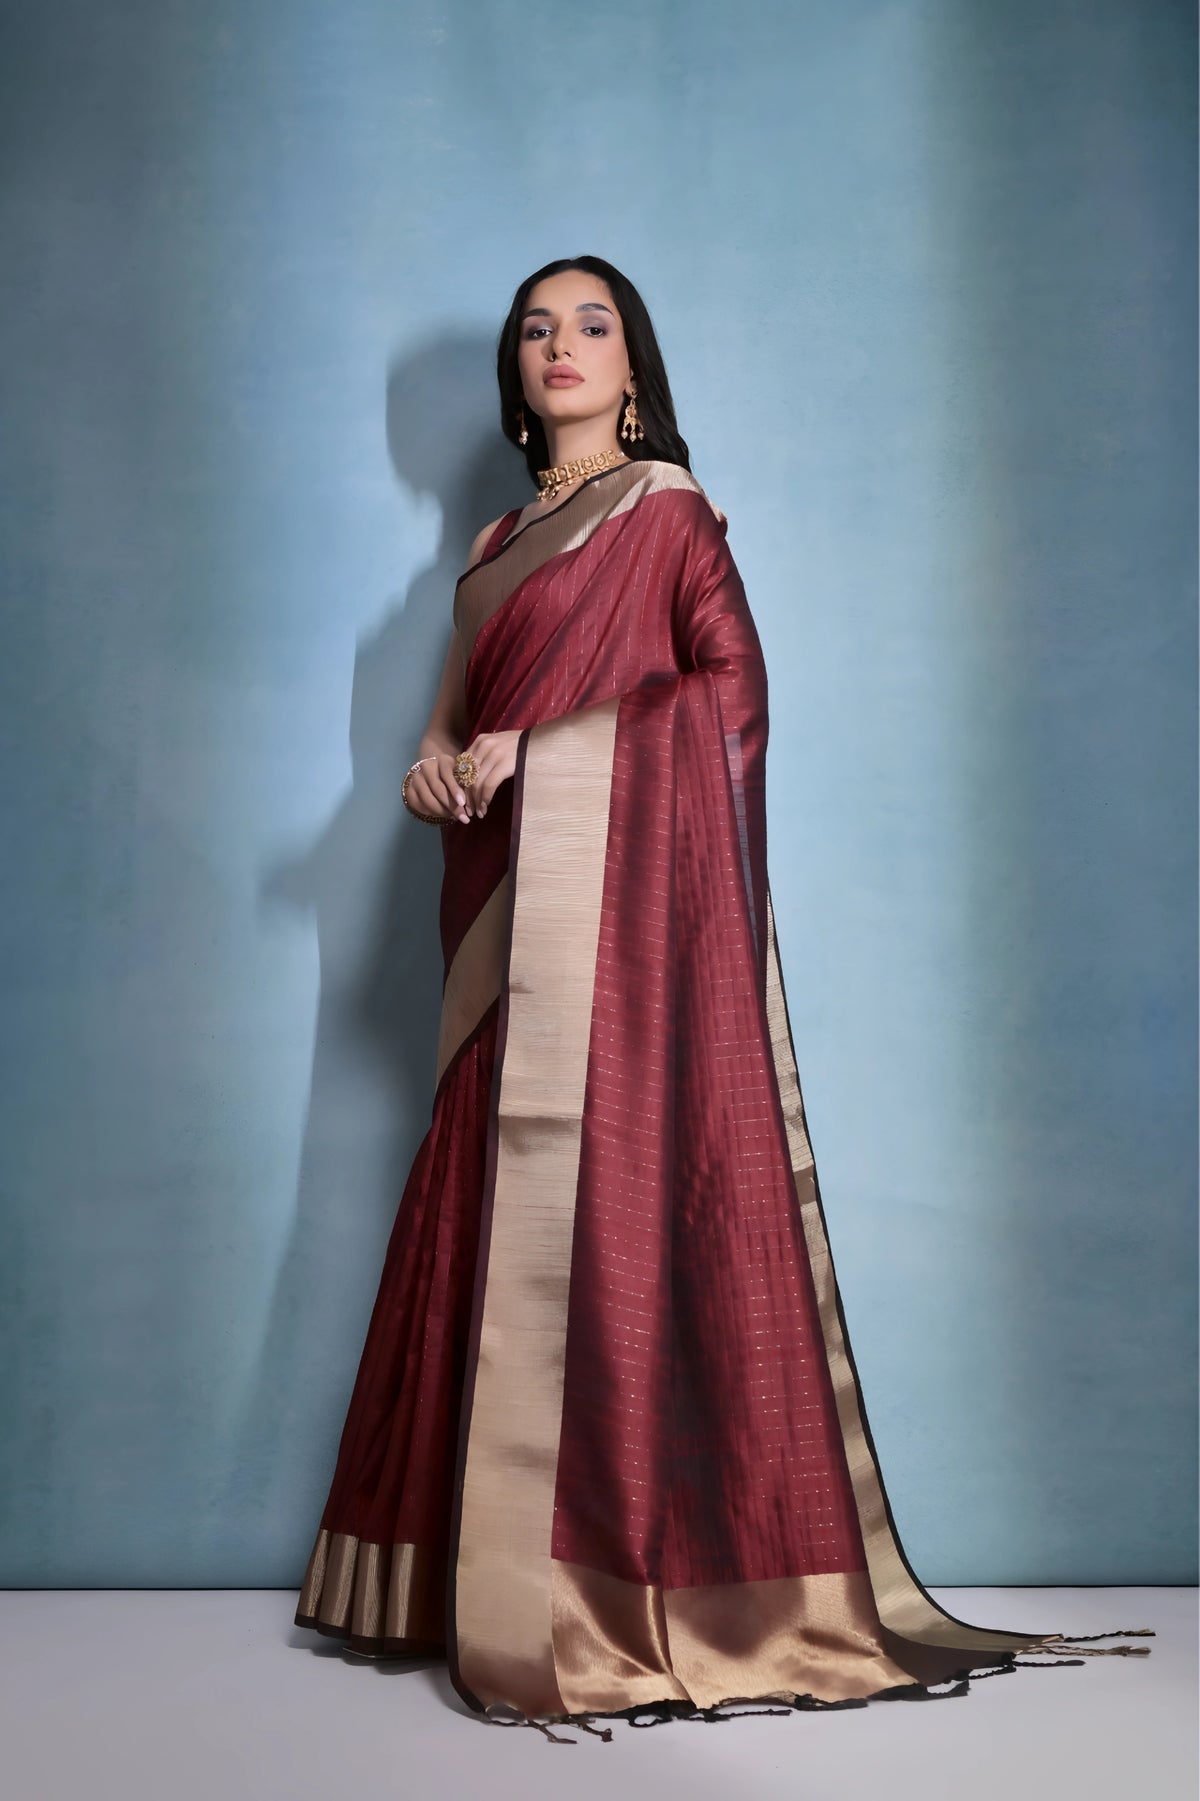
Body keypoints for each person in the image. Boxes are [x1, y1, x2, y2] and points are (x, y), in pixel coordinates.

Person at [292, 256, 1151, 1742]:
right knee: (480, 1206)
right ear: (519, 374)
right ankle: (455, 1573)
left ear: (634, 368)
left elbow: (732, 699)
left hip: (605, 931)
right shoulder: (494, 544)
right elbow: (444, 735)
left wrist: (540, 751)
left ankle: (605, 1584)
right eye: (538, 330)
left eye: (593, 325)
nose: (563, 347)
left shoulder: (668, 514)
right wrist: (444, 769)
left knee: (606, 1215)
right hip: (503, 917)